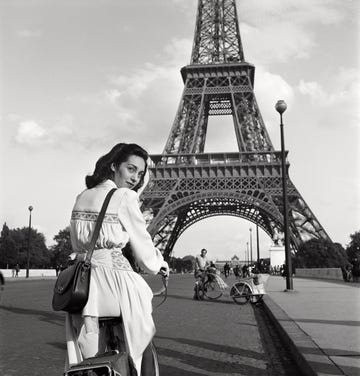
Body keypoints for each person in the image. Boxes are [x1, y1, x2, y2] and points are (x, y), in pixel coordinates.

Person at [64, 143, 169, 375]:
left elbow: (76, 242)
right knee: (138, 341)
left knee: (87, 351)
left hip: (83, 286)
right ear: (114, 166)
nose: (135, 178)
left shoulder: (82, 196)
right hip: (116, 284)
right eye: (131, 169)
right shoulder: (124, 196)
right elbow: (144, 250)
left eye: (140, 174)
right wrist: (159, 264)